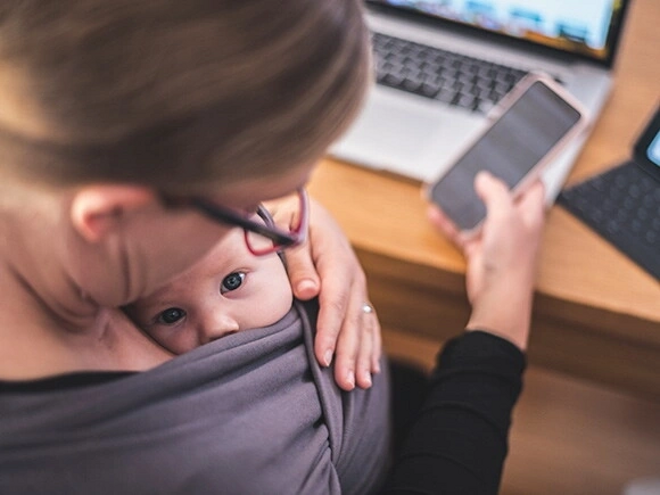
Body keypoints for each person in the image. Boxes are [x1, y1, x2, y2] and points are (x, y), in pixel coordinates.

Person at [0, 1, 546, 494]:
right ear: (114, 215)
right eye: (252, 202)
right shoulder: (143, 464)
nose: (283, 227)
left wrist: (289, 218)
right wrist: (503, 310)